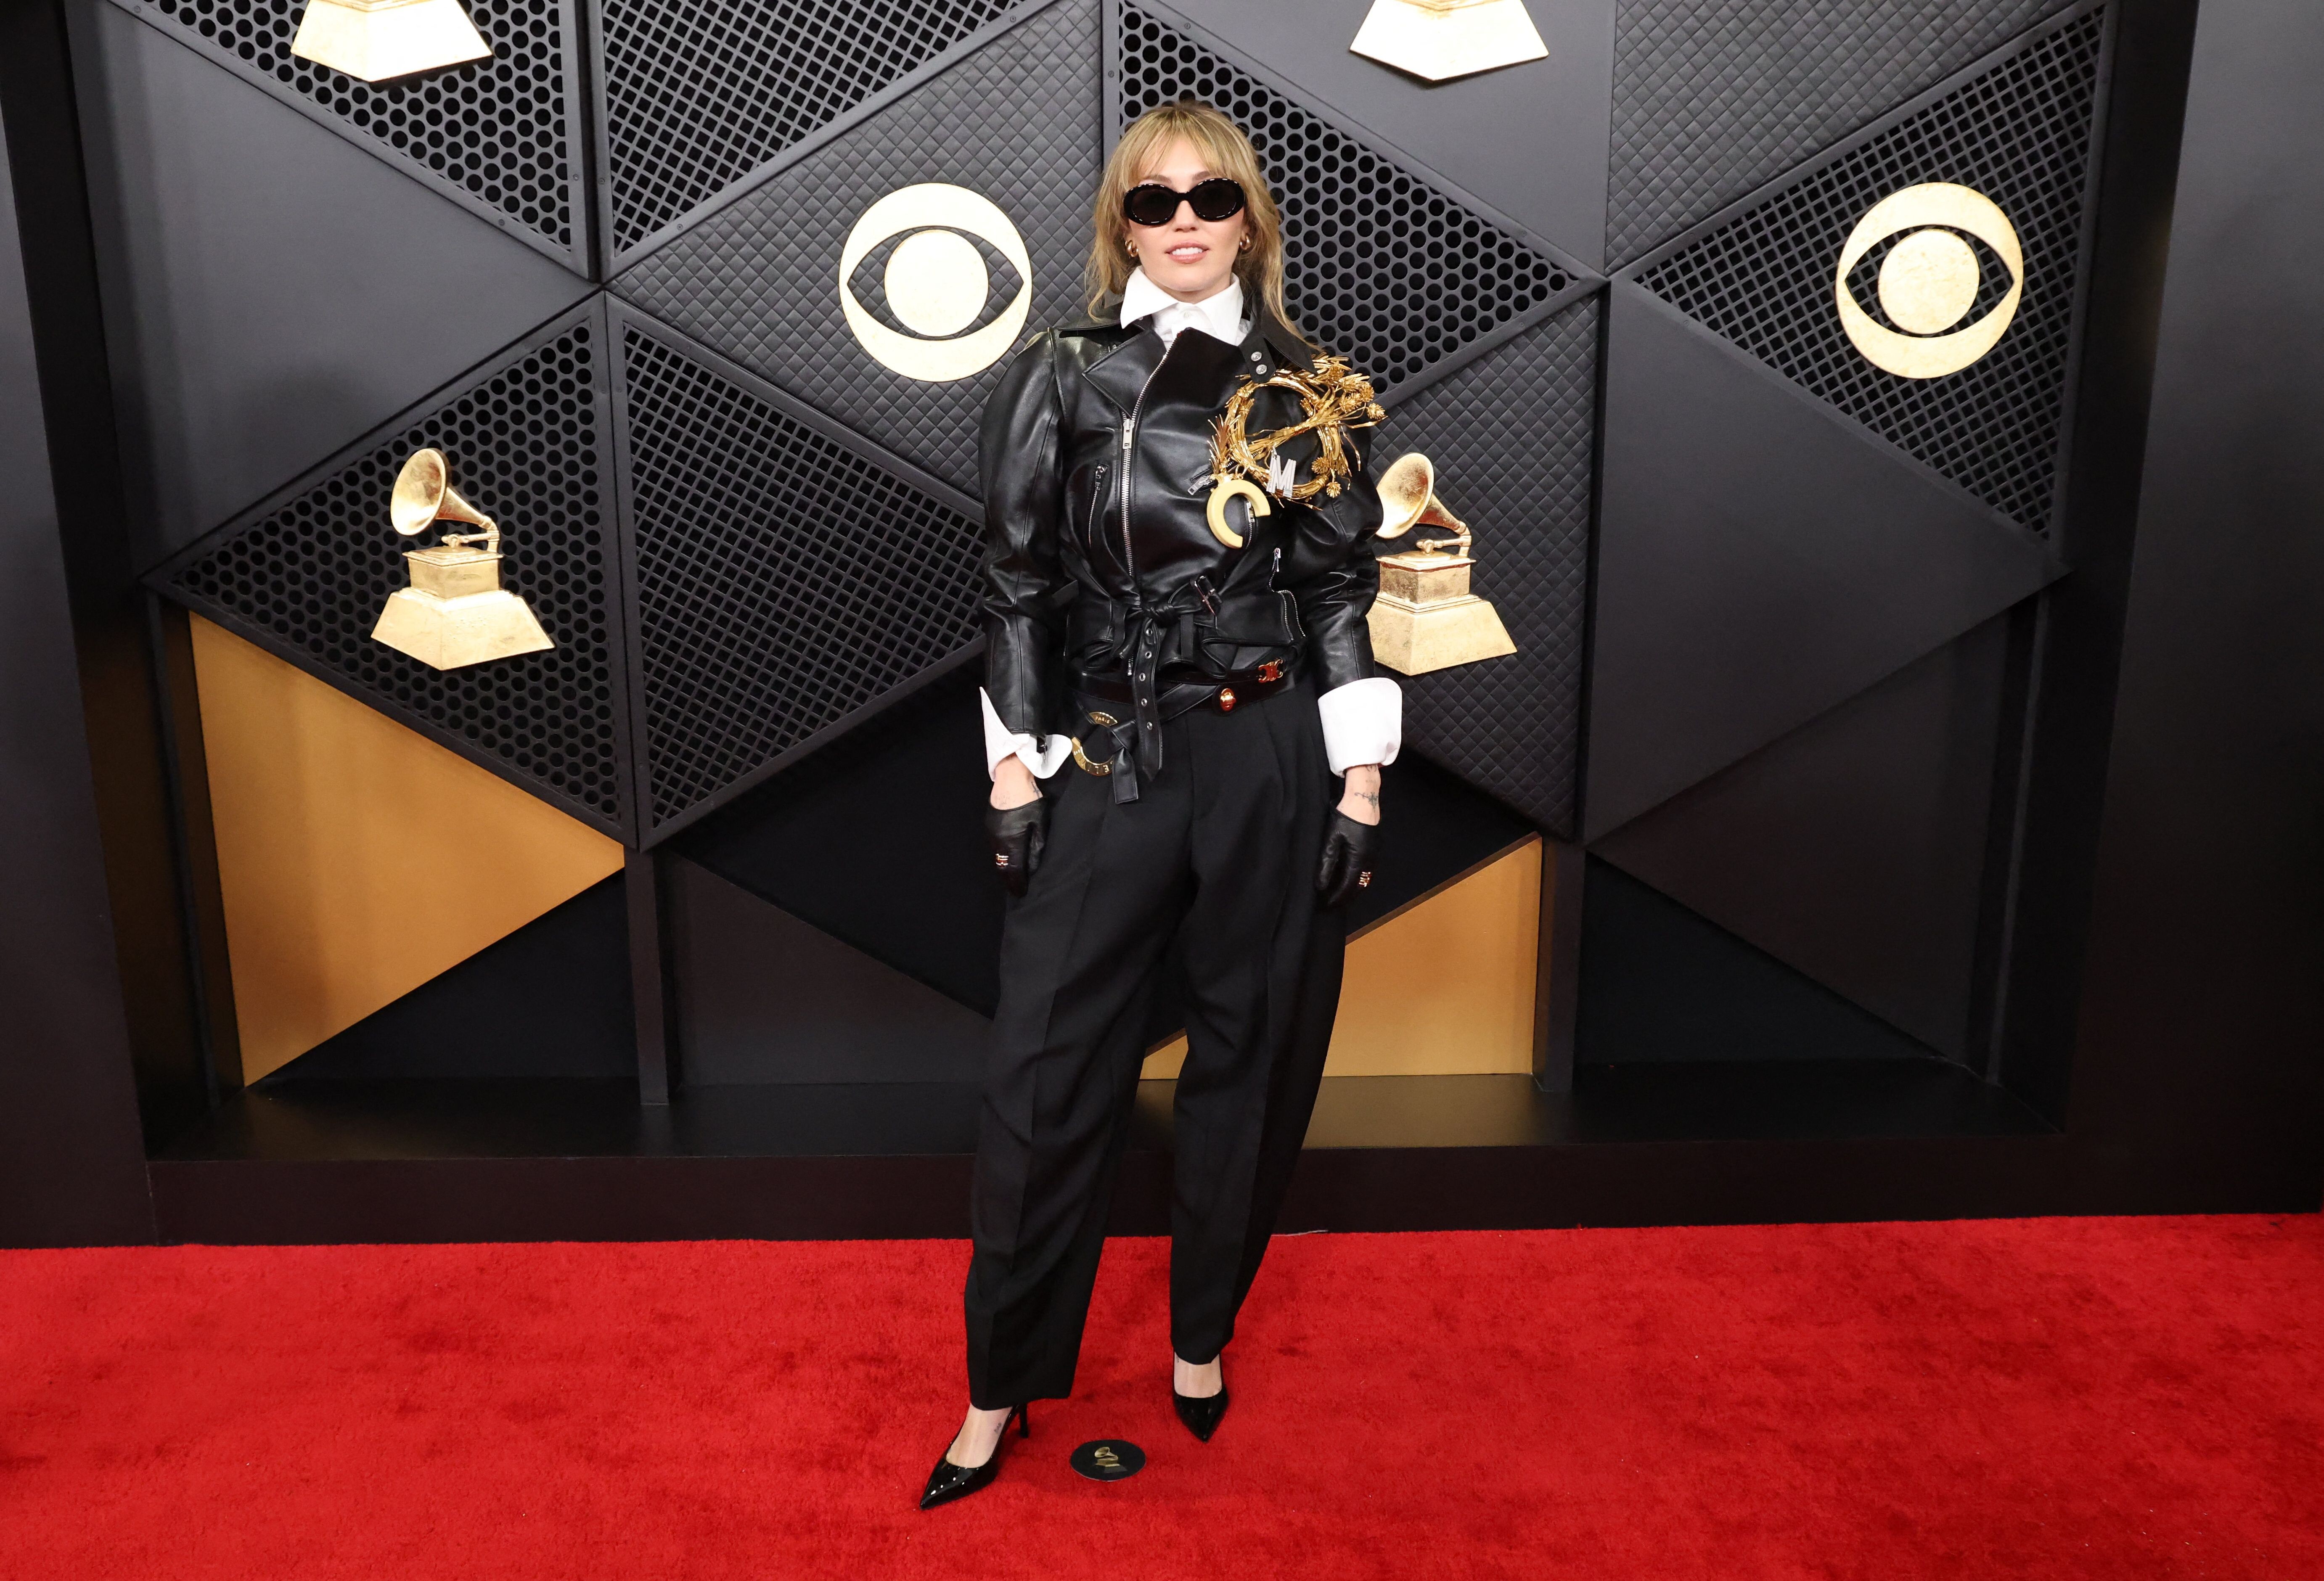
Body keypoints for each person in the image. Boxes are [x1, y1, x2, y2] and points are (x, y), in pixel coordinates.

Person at [921, 98, 1399, 1509]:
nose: (1183, 221)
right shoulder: (1061, 373)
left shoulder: (1302, 382)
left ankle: (1200, 1340)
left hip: (1269, 756)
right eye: (1153, 200)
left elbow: (1337, 589)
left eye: (1210, 197)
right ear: (1121, 225)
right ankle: (998, 1387)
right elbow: (1017, 581)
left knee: (1254, 1053)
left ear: (1249, 218)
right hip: (1107, 753)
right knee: (1045, 1068)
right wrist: (1014, 765)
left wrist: (1359, 780)